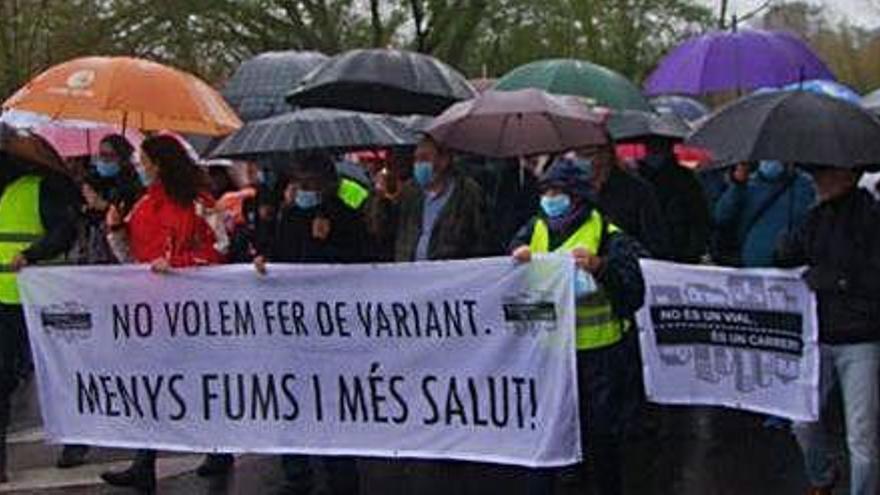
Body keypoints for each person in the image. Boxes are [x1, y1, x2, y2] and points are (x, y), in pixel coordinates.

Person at [100, 135, 232, 492]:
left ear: (159, 164)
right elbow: (131, 259)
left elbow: (220, 249)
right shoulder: (142, 207)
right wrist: (115, 229)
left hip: (194, 311)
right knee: (151, 385)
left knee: (199, 383)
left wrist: (177, 264)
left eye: (144, 161)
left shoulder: (199, 203)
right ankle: (144, 461)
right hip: (153, 311)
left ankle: (219, 447)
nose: (139, 167)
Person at [510, 158, 645, 495]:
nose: (549, 198)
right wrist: (516, 255)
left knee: (600, 443)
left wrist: (601, 267)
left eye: (558, 191)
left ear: (578, 197)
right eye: (546, 191)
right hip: (551, 355)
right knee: (547, 437)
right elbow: (510, 263)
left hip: (599, 358)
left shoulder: (609, 237)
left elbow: (633, 294)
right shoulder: (535, 228)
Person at [253, 153, 363, 495]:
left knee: (331, 407)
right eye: (299, 183)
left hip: (331, 333)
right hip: (291, 330)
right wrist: (263, 257)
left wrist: (325, 243)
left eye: (310, 184)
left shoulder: (346, 218)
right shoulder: (290, 216)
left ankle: (341, 479)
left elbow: (361, 267)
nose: (303, 190)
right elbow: (280, 254)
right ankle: (296, 474)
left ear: (327, 184)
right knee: (292, 401)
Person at [777, 166, 880, 495]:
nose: (818, 179)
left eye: (825, 173)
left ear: (848, 174)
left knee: (861, 436)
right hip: (819, 335)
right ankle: (822, 475)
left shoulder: (873, 219)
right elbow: (785, 255)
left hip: (862, 338)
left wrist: (838, 281)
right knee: (802, 423)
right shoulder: (816, 217)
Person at [56, 135, 146, 469]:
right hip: (87, 277)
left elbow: (131, 235)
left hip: (122, 283)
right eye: (99, 155)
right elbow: (70, 229)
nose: (102, 160)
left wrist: (105, 210)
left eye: (109, 155)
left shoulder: (134, 190)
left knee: (127, 357)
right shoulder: (83, 186)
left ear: (123, 159)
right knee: (85, 356)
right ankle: (78, 438)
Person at [0, 152, 79, 483]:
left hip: (43, 300)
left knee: (61, 374)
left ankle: (78, 437)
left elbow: (64, 233)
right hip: (6, 301)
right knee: (2, 380)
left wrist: (32, 254)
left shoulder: (39, 189)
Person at [368, 136, 487, 262]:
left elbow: (480, 238)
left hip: (449, 274)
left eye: (424, 159)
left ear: (443, 160)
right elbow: (382, 230)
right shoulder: (409, 191)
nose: (418, 165)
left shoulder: (467, 192)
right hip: (410, 272)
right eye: (416, 159)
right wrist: (381, 199)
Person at [573, 144, 672, 260]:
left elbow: (655, 242)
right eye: (578, 155)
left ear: (606, 155)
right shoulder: (574, 188)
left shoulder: (636, 190)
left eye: (588, 155)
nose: (583, 161)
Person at [714, 161, 816, 267]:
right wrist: (737, 185)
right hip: (750, 265)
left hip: (791, 265)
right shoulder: (747, 183)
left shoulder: (805, 185)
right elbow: (721, 217)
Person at [635, 136, 710, 263]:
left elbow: (699, 217)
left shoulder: (686, 179)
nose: (655, 150)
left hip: (678, 250)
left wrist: (693, 251)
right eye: (652, 146)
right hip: (649, 249)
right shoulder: (635, 179)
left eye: (659, 146)